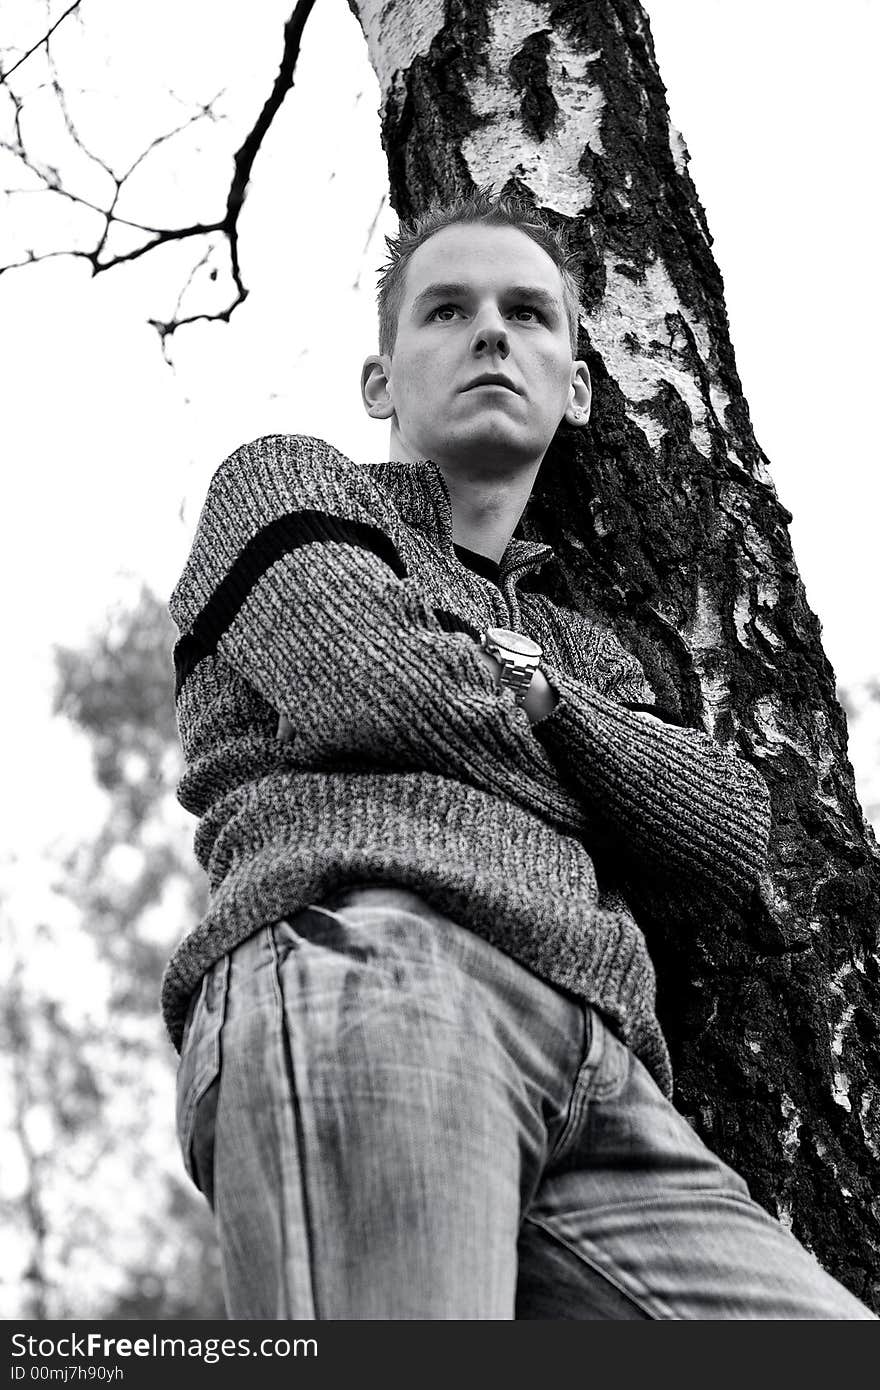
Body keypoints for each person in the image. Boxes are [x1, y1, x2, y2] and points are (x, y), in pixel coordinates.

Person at [166, 189, 873, 1319]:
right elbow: (373, 684)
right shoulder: (288, 486)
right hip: (373, 971)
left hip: (611, 1083)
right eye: (445, 310)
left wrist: (548, 697)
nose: (492, 331)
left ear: (577, 385)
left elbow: (721, 836)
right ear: (379, 379)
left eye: (529, 315)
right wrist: (599, 771)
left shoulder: (589, 648)